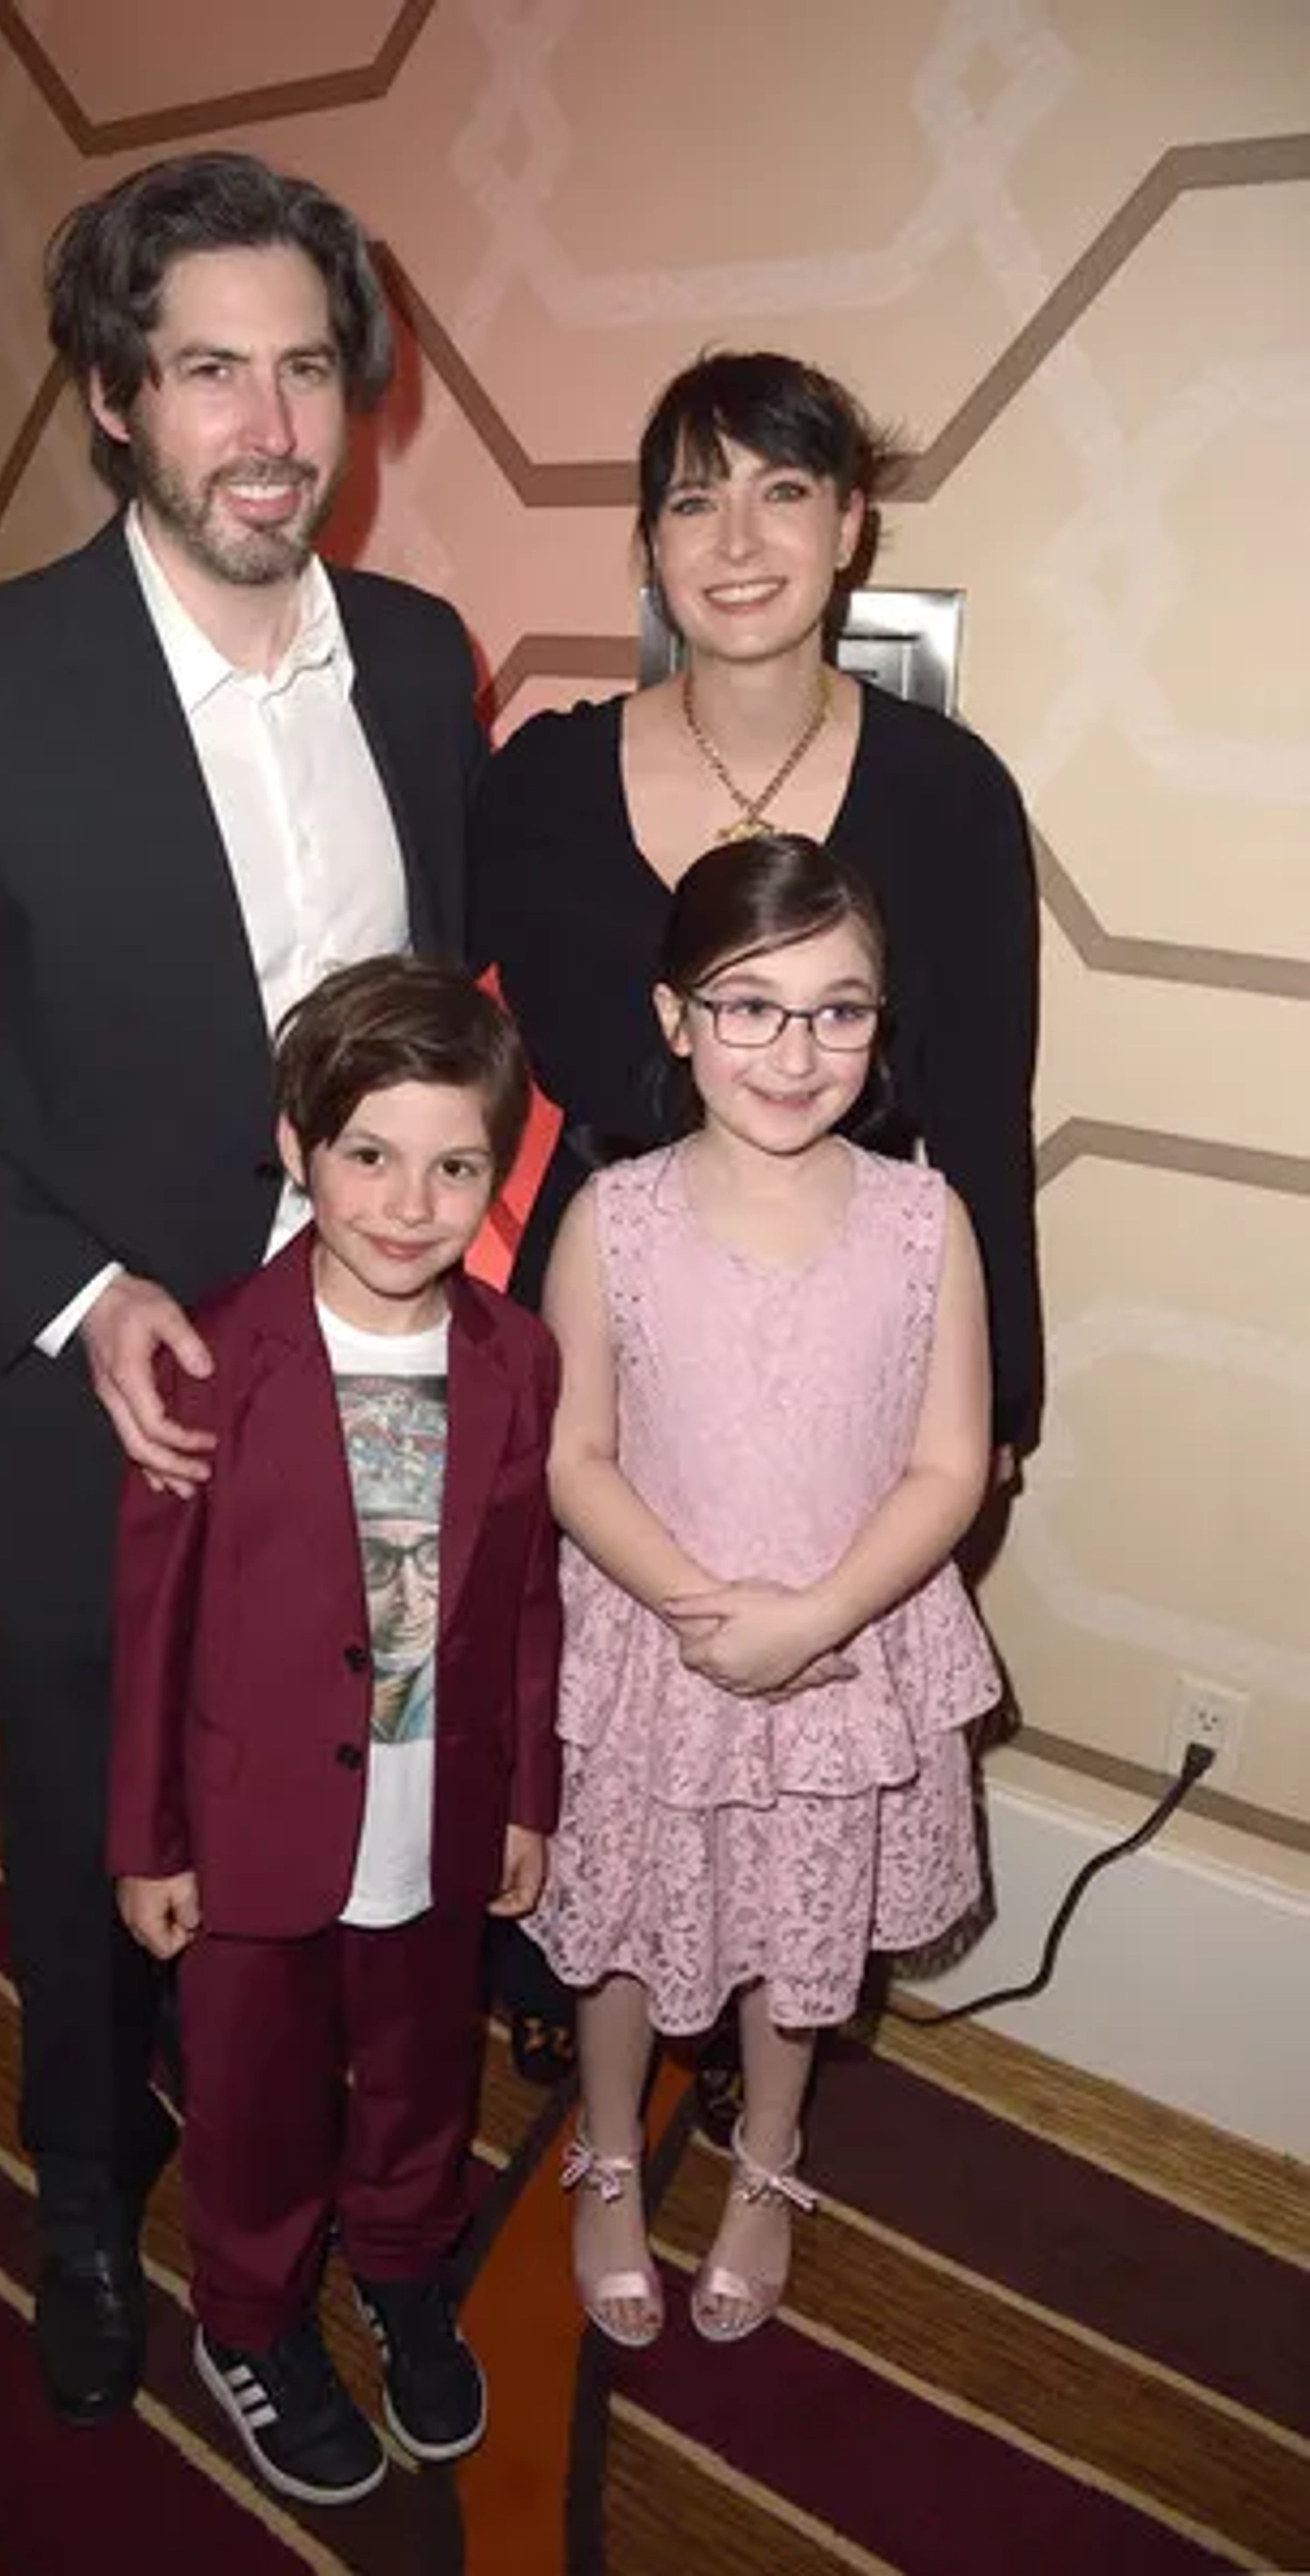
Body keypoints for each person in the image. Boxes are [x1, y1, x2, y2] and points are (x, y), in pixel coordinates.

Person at [0, 151, 485, 2426]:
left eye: (306, 367)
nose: (270, 422)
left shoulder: (425, 665)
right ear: (112, 397)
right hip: (98, 1400)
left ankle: (333, 2180)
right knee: (102, 1836)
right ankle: (84, 2190)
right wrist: (79, 1299)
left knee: (337, 1818)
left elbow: (440, 1009)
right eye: (207, 373)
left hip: (367, 1383)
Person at [471, 348, 1040, 2095]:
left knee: (794, 1661)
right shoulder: (538, 780)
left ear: (850, 524)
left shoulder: (947, 795)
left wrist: (999, 1397)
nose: (736, 538)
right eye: (693, 498)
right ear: (645, 542)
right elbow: (454, 1046)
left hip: (832, 1328)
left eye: (781, 489)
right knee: (595, 1701)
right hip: (594, 1309)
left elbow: (984, 1117)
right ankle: (588, 1978)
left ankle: (751, 2004)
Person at [534, 834, 999, 2348]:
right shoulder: (614, 1219)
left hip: (847, 1649)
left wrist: (814, 1619)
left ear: (882, 1024)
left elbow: (947, 1466)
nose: (795, 1052)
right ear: (676, 1016)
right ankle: (606, 2147)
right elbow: (575, 1453)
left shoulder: (931, 1221)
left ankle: (767, 2156)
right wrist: (699, 1608)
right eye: (750, 1005)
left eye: (838, 1010)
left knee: (803, 1937)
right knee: (617, 1923)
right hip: (656, 1640)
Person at [108, 957, 560, 2506]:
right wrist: (148, 1839)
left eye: (456, 1165)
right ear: (297, 1145)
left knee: (424, 2064)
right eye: (369, 1153)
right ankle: (249, 2311)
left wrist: (528, 1794)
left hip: (439, 1807)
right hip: (248, 1825)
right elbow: (153, 1622)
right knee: (251, 2088)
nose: (408, 1201)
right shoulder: (213, 1353)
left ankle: (401, 2258)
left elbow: (528, 1602)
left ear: (501, 1175)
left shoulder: (517, 1357)